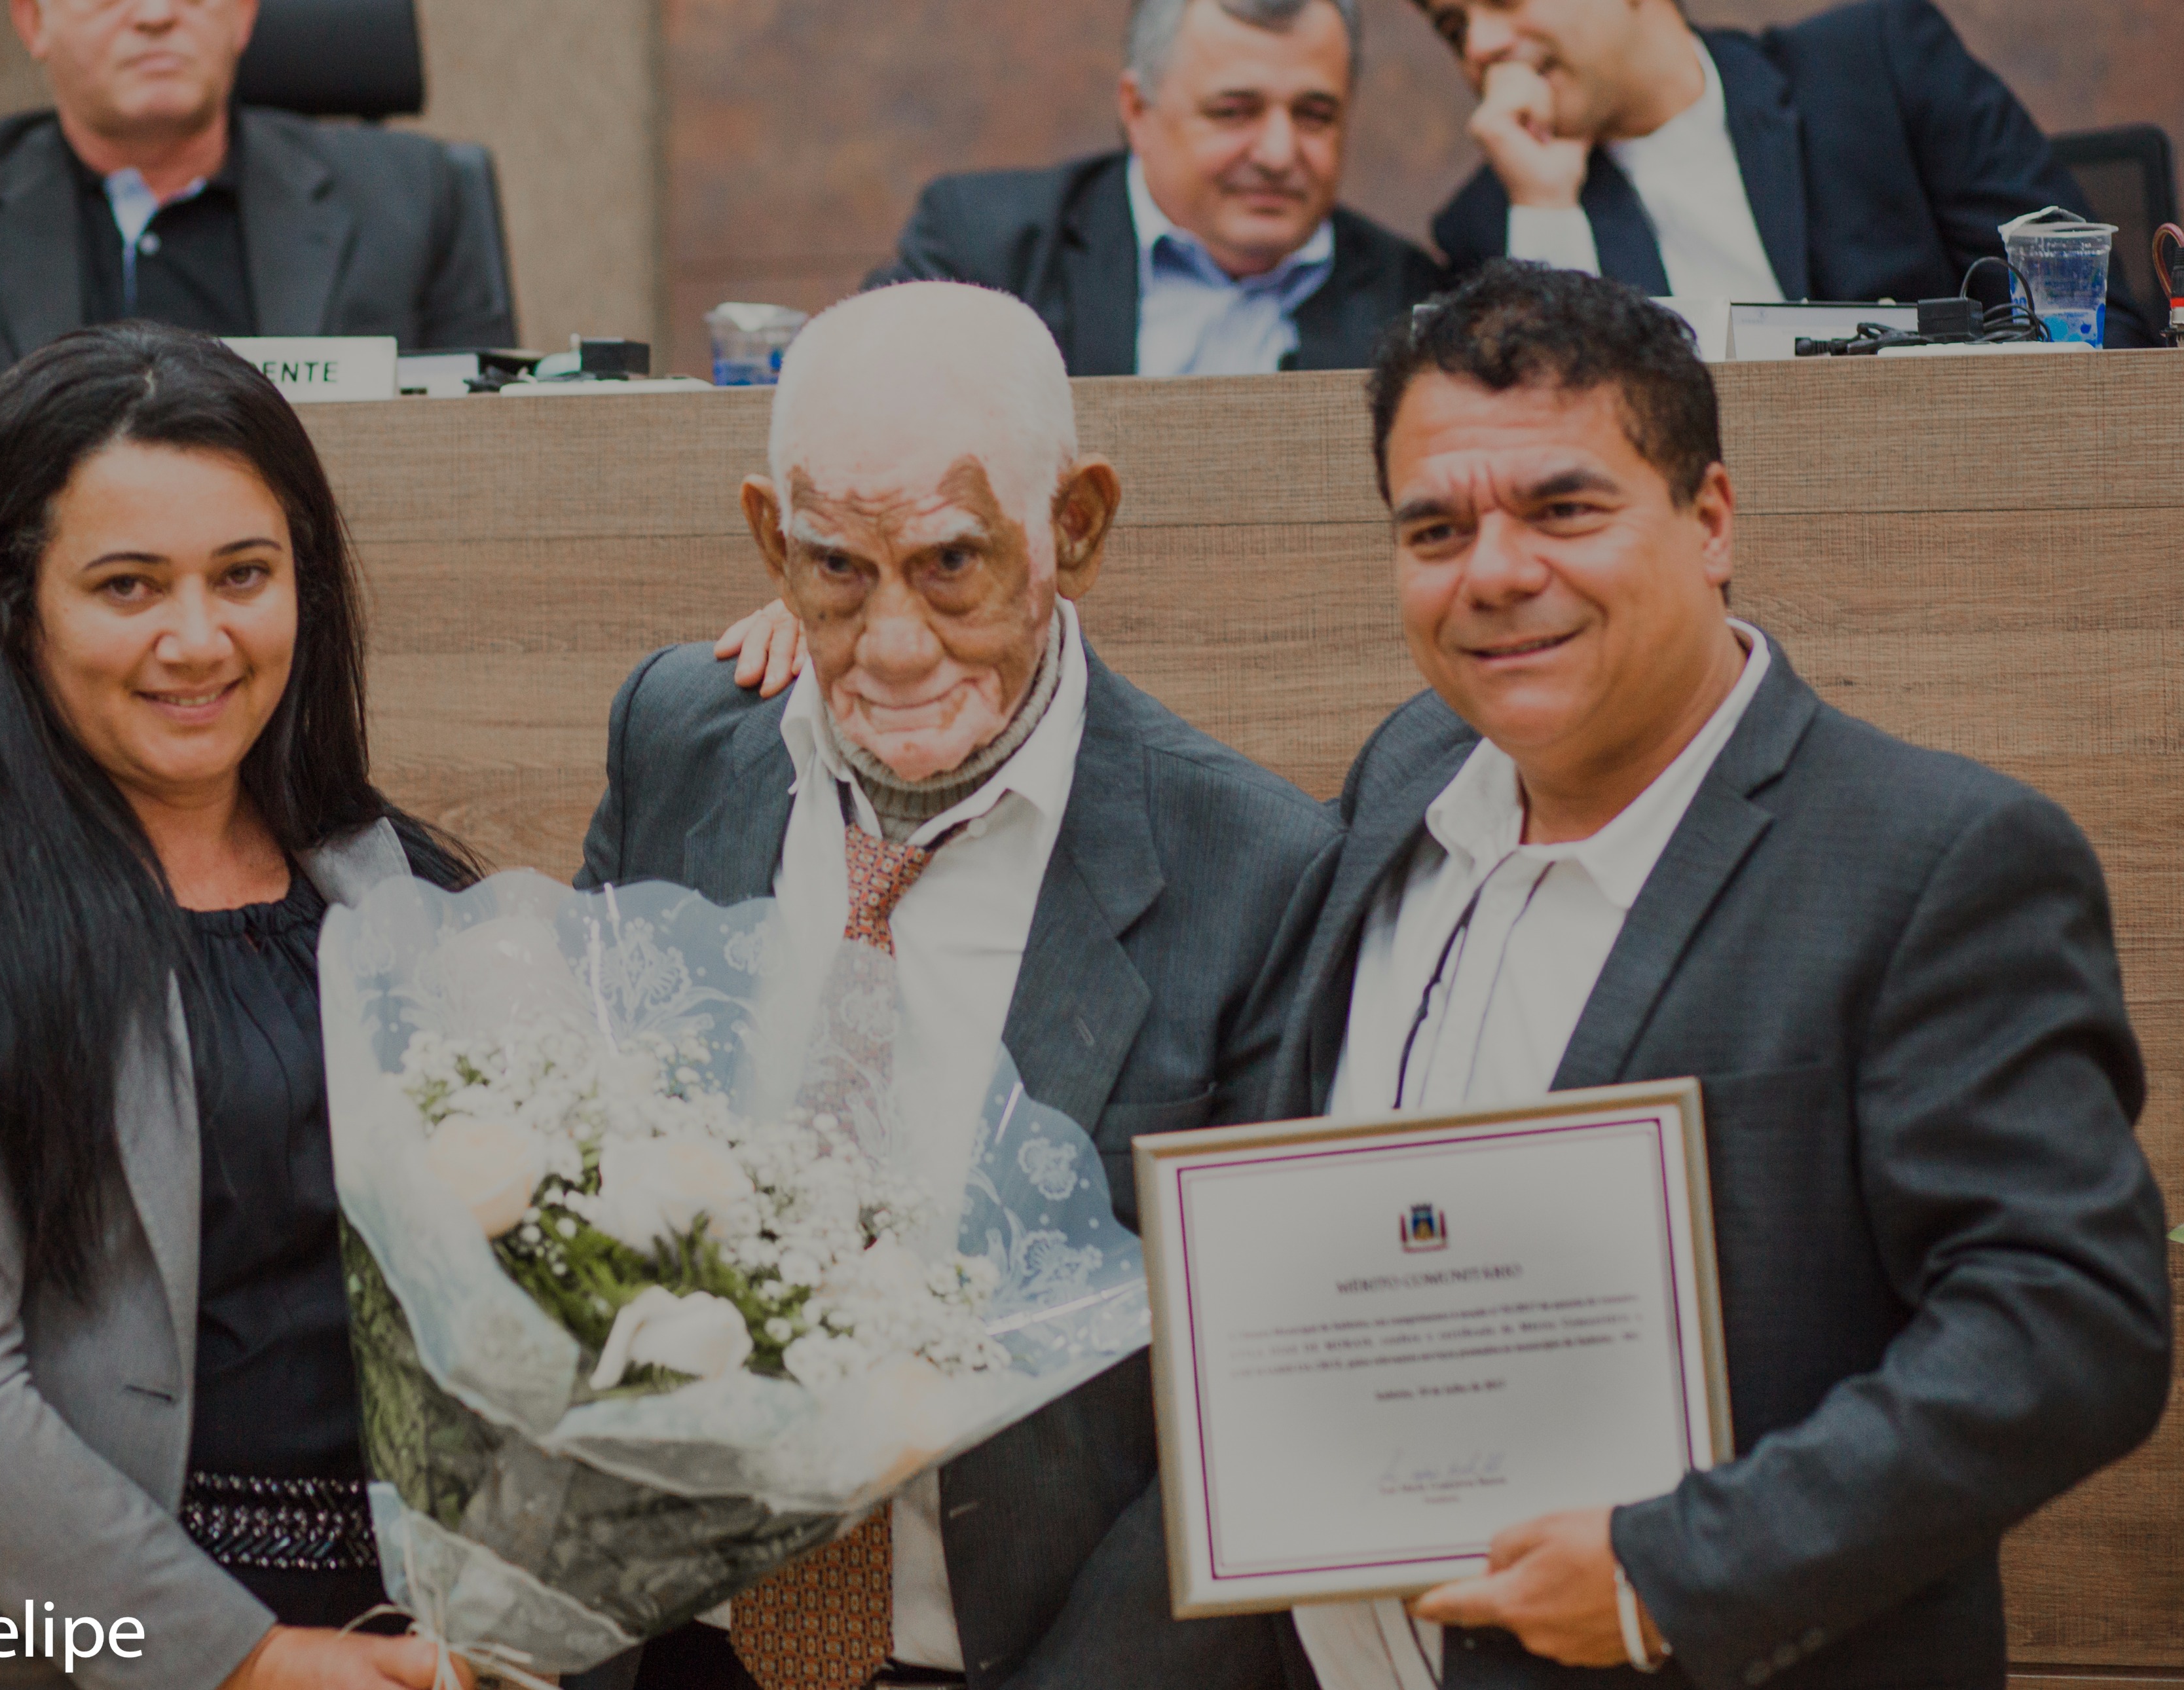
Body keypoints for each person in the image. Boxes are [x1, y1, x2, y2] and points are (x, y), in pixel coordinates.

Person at [1261, 263, 2170, 1689]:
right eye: (1434, 529)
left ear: (1710, 521)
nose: (1491, 573)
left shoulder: (1937, 860)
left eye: (1564, 509)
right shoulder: (1405, 781)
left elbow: (2067, 1324)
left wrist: (1669, 1574)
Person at [574, 281, 1339, 1690]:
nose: (894, 645)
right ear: (771, 539)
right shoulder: (676, 739)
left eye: (949, 565)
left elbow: (1253, 1404)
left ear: (1076, 527)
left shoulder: (1256, 873)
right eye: (836, 567)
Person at [0, 323, 483, 1690]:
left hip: (372, 1641)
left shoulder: (393, 881)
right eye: (127, 585)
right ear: (15, 602)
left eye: (243, 575)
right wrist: (246, 1662)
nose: (196, 640)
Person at [0, 0, 511, 411]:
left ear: (243, 13)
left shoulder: (412, 198)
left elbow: (493, 443)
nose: (155, 13)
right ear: (33, 21)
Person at [1415, 0, 2158, 344]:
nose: (1477, 46)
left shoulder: (1877, 65)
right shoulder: (1494, 222)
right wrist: (1545, 209)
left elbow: (2102, 336)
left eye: (1499, 1)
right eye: (1452, 26)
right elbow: (1541, 457)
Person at [866, 0, 1442, 377]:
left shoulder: (1412, 300)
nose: (1277, 154)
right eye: (1234, 112)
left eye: (1315, 115)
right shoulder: (985, 255)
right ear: (1138, 110)